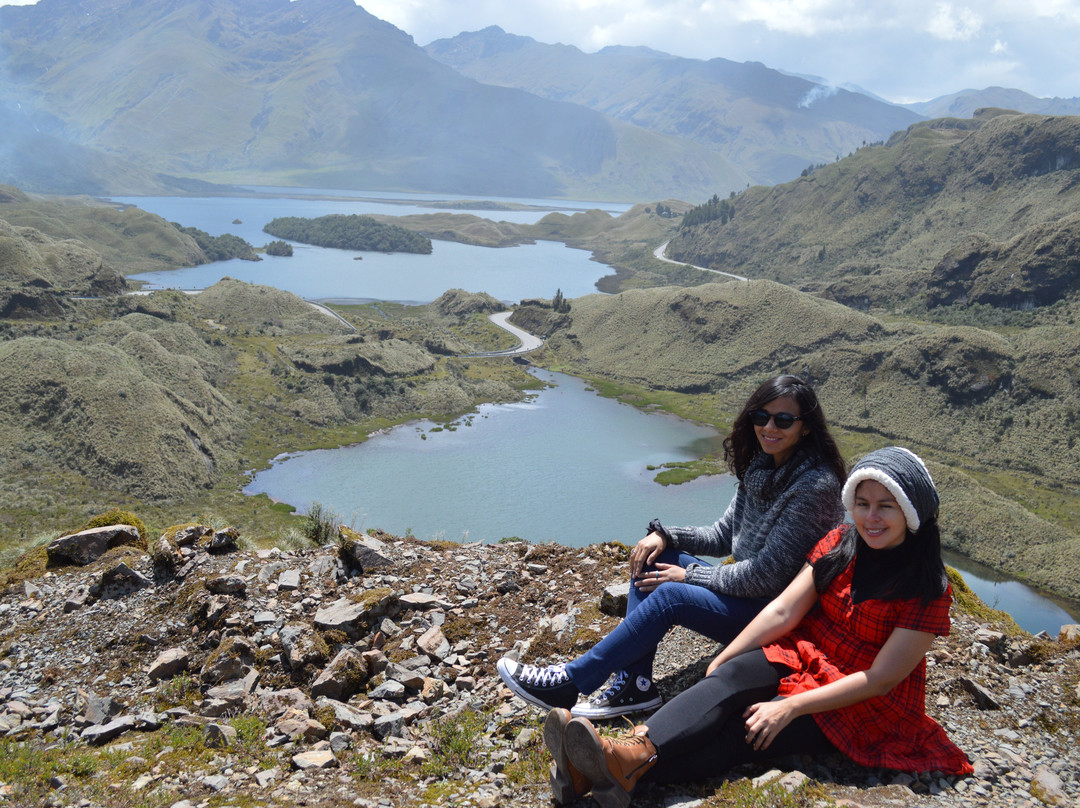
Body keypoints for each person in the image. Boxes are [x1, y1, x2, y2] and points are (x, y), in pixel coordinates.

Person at [547, 447, 974, 808]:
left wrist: (789, 706)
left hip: (861, 702)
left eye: (886, 506)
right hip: (807, 653)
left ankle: (607, 769)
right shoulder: (841, 545)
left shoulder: (927, 589)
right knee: (730, 678)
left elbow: (881, 680)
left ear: (912, 512)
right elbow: (785, 613)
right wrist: (728, 656)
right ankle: (619, 759)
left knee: (748, 730)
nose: (871, 517)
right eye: (863, 504)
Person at [498, 373, 847, 720]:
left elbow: (767, 577)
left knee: (672, 593)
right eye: (761, 416)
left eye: (783, 419)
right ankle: (635, 685)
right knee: (652, 558)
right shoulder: (761, 467)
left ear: (806, 427)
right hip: (746, 596)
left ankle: (570, 681)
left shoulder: (814, 486)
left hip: (777, 617)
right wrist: (665, 536)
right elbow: (724, 534)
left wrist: (689, 576)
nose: (769, 427)